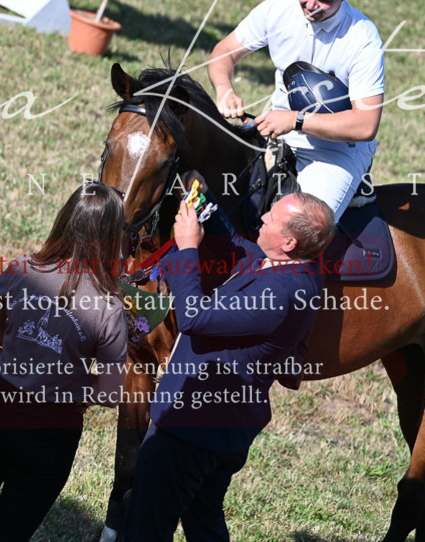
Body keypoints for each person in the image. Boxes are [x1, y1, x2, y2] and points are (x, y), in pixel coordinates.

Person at [120, 190, 335, 541]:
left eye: (272, 218)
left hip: (190, 430)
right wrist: (204, 203)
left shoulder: (280, 295)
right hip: (221, 431)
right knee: (204, 523)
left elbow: (193, 317)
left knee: (145, 525)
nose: (262, 217)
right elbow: (234, 245)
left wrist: (187, 247)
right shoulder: (289, 266)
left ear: (289, 242)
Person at [0, 182, 129, 542]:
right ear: (113, 237)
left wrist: (26, 343)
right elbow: (112, 393)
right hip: (50, 433)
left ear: (64, 220)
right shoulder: (110, 309)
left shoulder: (21, 270)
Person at [208, 0, 385, 219]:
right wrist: (224, 89)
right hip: (276, 132)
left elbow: (365, 125)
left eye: (323, 0)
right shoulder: (276, 7)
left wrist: (296, 120)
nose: (310, 5)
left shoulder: (363, 38)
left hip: (336, 150)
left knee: (295, 230)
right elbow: (224, 52)